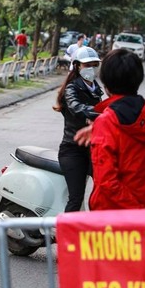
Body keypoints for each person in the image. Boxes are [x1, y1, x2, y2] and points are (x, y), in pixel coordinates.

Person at [74, 48, 145, 210]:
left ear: (106, 85)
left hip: (114, 220)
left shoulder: (107, 123)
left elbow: (107, 182)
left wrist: (137, 212)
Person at [52, 46, 104, 212]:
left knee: (106, 189)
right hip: (73, 150)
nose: (91, 69)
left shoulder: (96, 88)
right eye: (87, 65)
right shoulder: (71, 88)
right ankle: (66, 235)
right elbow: (76, 107)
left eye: (94, 64)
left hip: (93, 148)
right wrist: (103, 114)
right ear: (77, 66)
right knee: (76, 198)